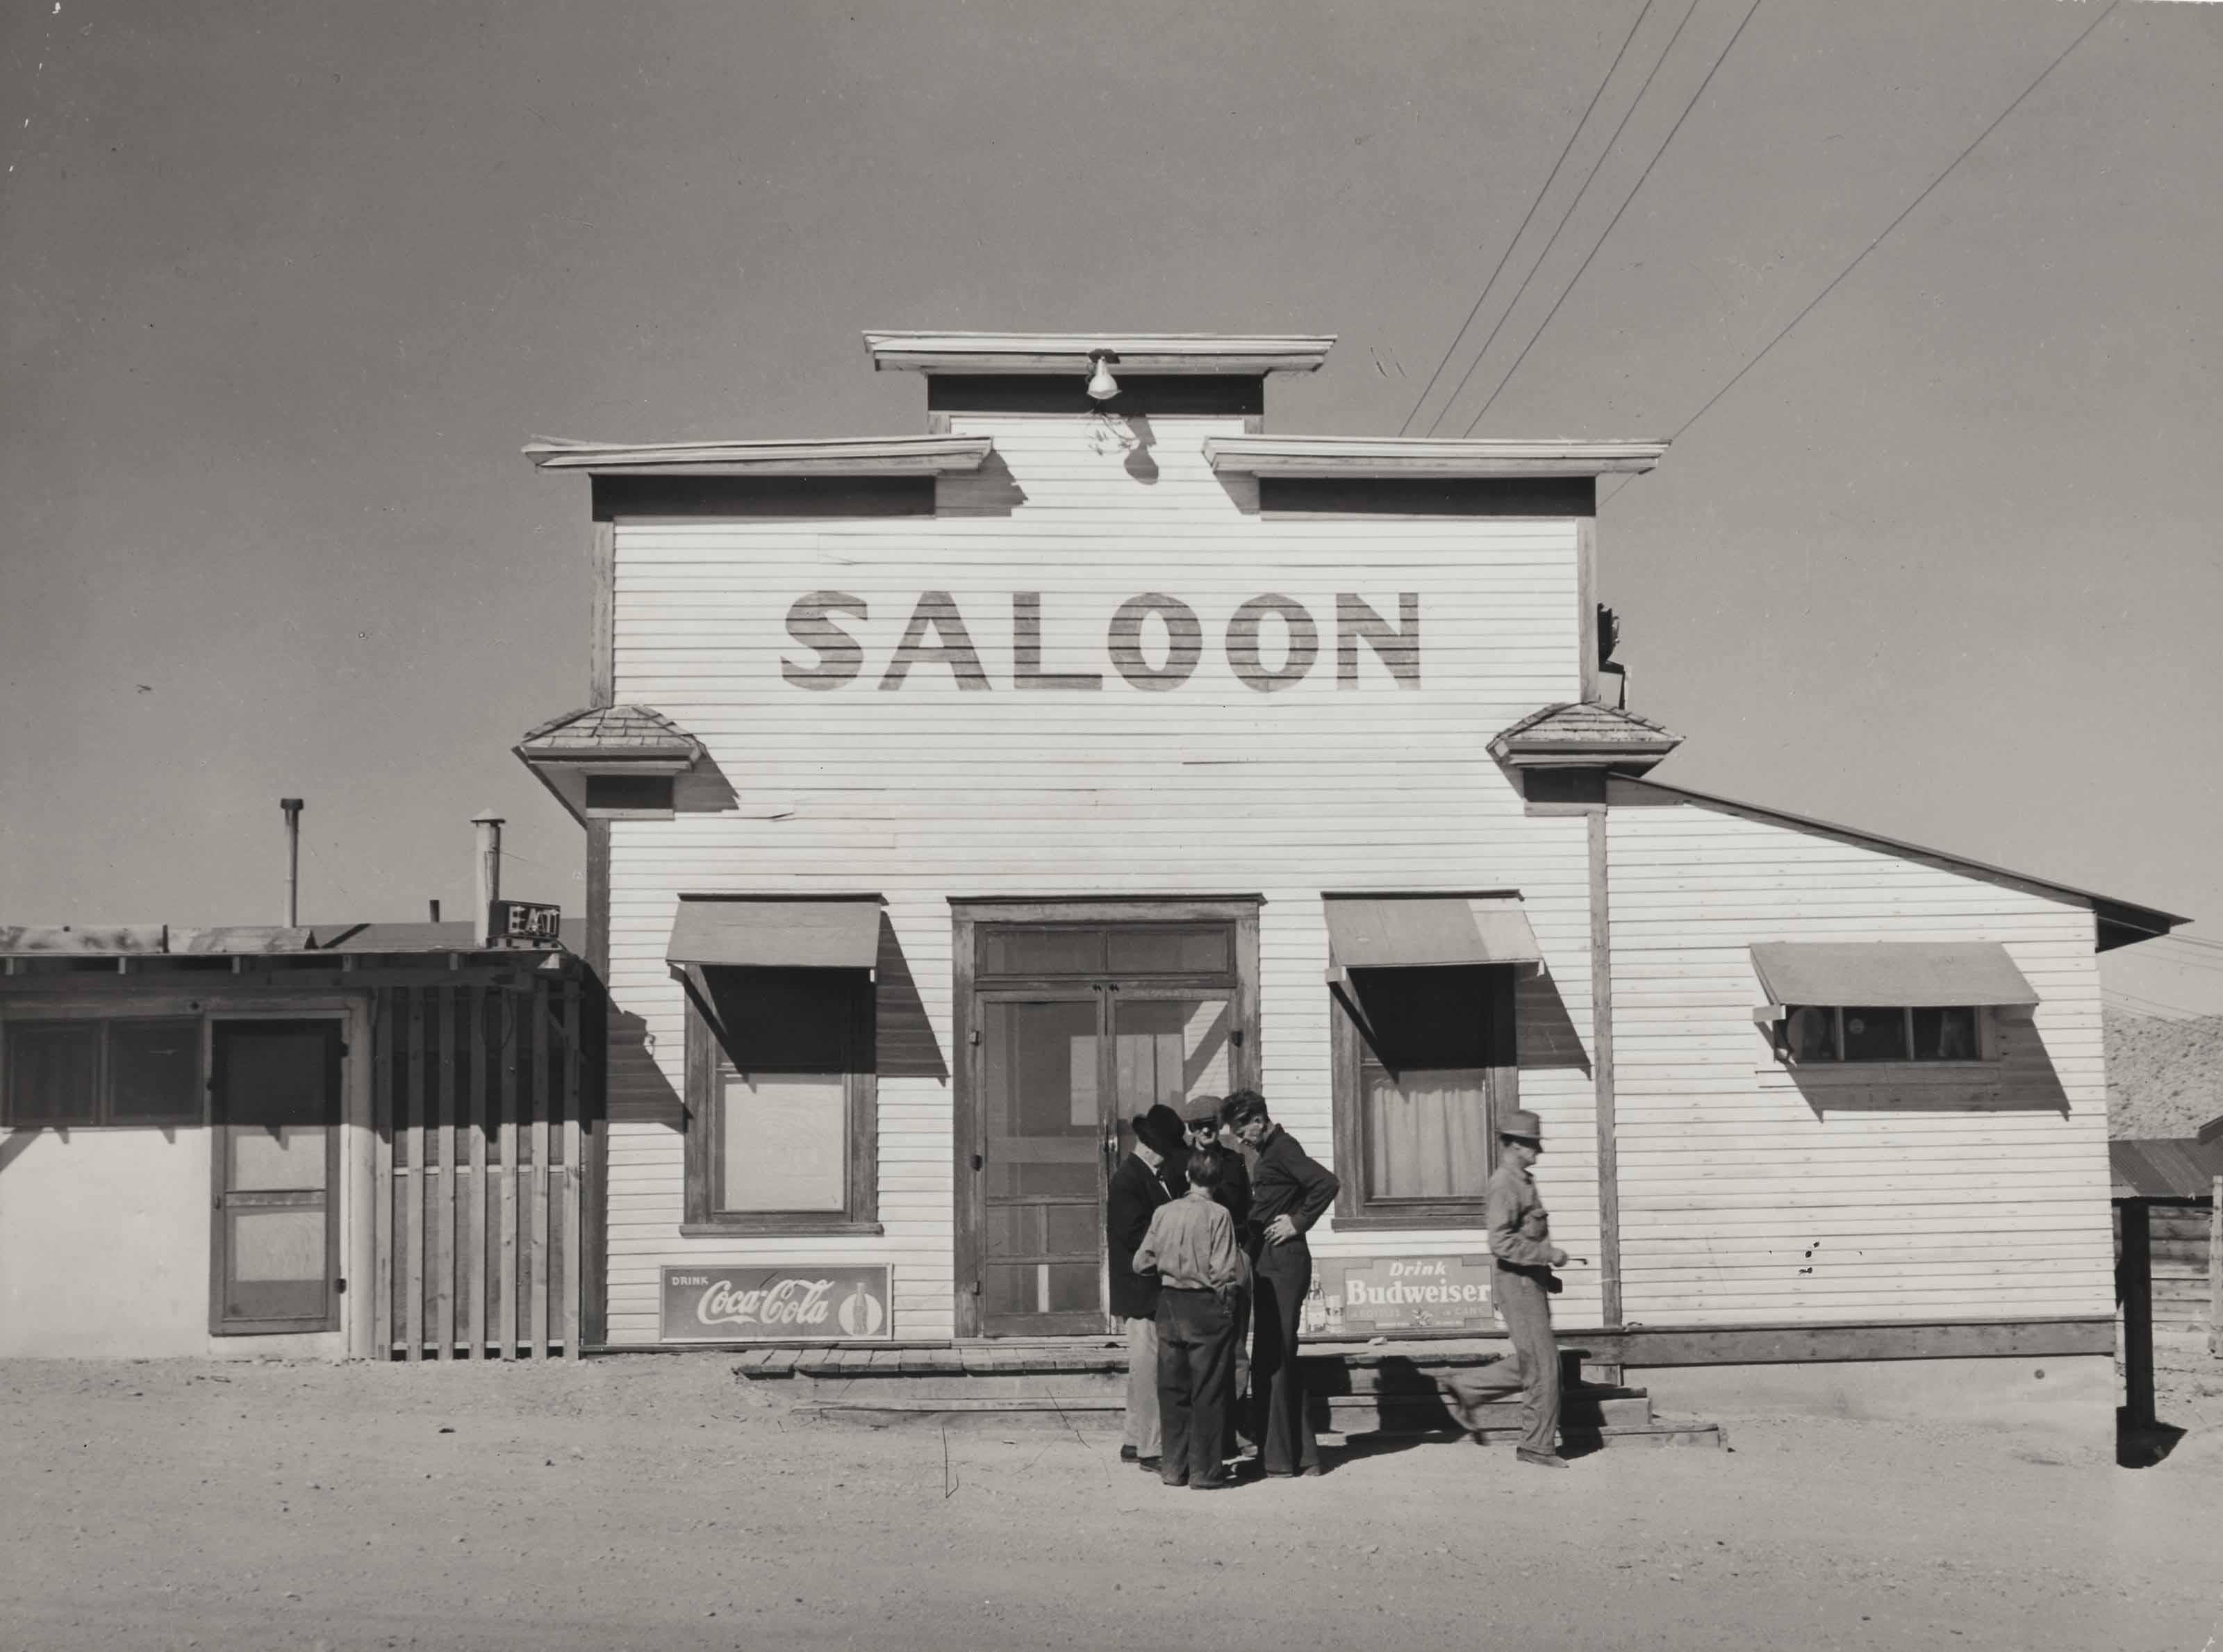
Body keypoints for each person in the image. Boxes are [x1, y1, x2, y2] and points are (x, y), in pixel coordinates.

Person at [1445, 1107, 1571, 1468]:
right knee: (1544, 1367)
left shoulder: (1523, 1181)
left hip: (1528, 1282)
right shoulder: (1504, 1184)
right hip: (1516, 1285)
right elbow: (1500, 1243)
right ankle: (1536, 1446)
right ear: (1514, 1144)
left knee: (1540, 1362)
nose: (1538, 1152)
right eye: (1533, 1144)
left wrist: (1546, 1273)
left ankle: (1468, 1387)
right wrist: (1550, 1254)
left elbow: (1522, 1237)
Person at [1223, 1089, 1337, 1478]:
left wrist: (1297, 1221)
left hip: (1284, 1266)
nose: (1240, 1139)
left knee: (1274, 1358)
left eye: (1242, 1130)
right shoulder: (1270, 1153)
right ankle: (1298, 1457)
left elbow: (1327, 1183)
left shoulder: (1284, 1148)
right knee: (1277, 1358)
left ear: (1258, 1120)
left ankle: (1280, 1460)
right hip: (1269, 1265)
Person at [1133, 1144, 1247, 1490]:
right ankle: (1206, 1472)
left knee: (1173, 1390)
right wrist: (1227, 1308)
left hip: (1168, 1305)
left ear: (1187, 1176)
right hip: (1204, 1307)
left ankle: (1173, 1468)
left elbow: (1141, 1262)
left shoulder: (1164, 1212)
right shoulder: (1219, 1215)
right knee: (1208, 1391)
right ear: (1218, 1180)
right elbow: (1224, 1272)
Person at [1109, 1101, 1187, 1470]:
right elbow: (1135, 1236)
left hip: (1148, 1289)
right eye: (1164, 1153)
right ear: (1149, 1148)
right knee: (1151, 1368)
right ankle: (1151, 1449)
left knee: (1143, 1366)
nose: (1166, 1160)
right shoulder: (1129, 1180)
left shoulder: (1152, 1177)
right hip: (1141, 1291)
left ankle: (1132, 1439)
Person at [1185, 1099, 1253, 1457]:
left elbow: (1248, 1211)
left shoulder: (1235, 1162)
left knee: (1236, 1348)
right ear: (1189, 1128)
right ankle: (1204, 1434)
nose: (1205, 1131)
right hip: (1194, 1266)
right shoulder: (1179, 1165)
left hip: (1232, 1257)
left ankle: (1236, 1429)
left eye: (1210, 1124)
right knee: (1198, 1351)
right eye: (1198, 1125)